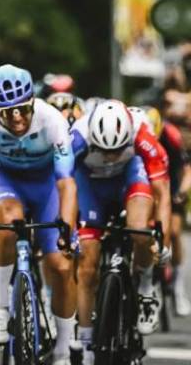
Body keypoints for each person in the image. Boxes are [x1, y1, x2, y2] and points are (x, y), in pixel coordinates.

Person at [0, 64, 78, 365]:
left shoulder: (52, 120)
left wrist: (66, 228)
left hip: (47, 186)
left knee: (62, 266)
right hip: (7, 181)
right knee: (7, 220)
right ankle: (0, 310)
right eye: (7, 112)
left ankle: (63, 350)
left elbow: (67, 183)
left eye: (23, 110)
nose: (17, 118)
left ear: (33, 102)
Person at [69, 101, 157, 364]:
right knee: (87, 266)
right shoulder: (77, 137)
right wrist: (69, 229)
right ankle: (86, 341)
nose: (110, 157)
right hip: (91, 186)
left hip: (128, 180)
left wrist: (157, 231)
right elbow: (61, 184)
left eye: (117, 150)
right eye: (103, 150)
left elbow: (161, 188)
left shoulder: (141, 130)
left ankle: (146, 288)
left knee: (140, 232)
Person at [145, 106, 191, 316]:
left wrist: (181, 192)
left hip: (171, 185)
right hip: (147, 184)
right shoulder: (137, 137)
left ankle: (179, 287)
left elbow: (186, 169)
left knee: (173, 231)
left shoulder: (171, 136)